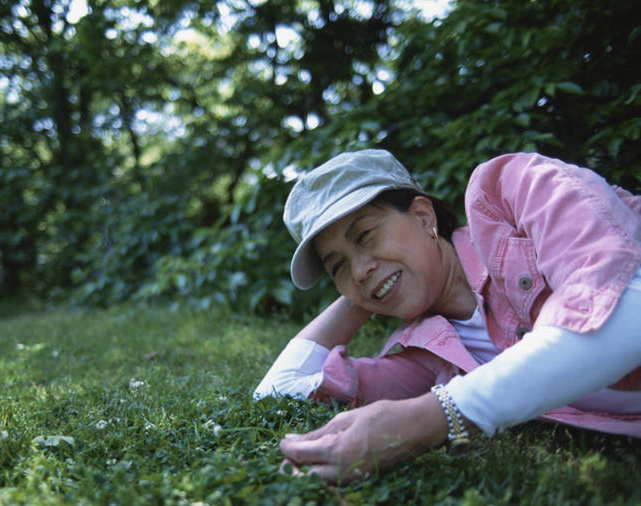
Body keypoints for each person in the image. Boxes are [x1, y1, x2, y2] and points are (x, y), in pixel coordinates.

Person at [253, 149, 641, 484]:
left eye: (366, 235)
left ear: (424, 216)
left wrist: (437, 416)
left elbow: (621, 310)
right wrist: (366, 286)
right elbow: (279, 392)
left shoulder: (512, 191)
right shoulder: (426, 354)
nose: (357, 270)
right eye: (336, 266)